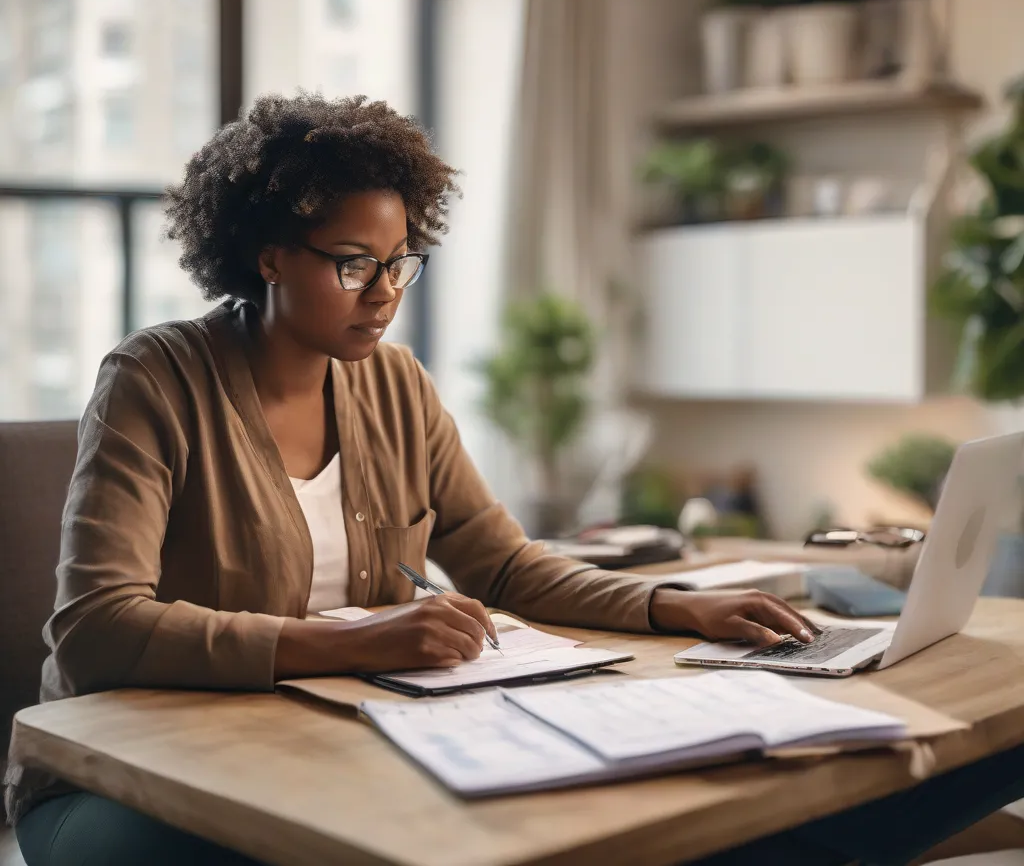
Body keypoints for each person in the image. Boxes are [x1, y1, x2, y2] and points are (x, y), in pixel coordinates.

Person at [6, 94, 1022, 866]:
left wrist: (675, 607)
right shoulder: (155, 379)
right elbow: (96, 628)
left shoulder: (393, 385)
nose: (386, 293)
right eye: (353, 261)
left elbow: (503, 565)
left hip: (332, 752)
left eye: (404, 261)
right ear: (268, 253)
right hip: (134, 781)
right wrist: (343, 637)